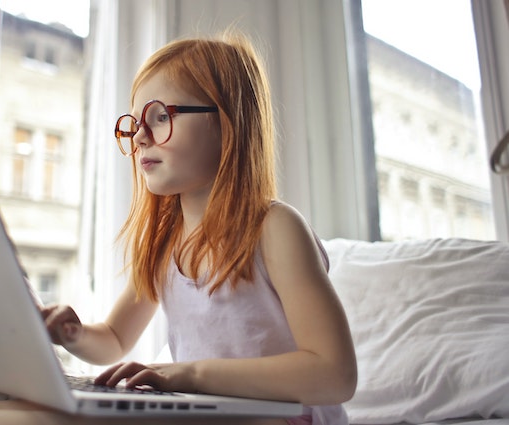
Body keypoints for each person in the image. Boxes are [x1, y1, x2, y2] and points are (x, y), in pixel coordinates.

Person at [41, 31, 357, 425]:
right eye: (135, 122)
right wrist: (74, 334)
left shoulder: (275, 229)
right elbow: (115, 339)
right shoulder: (164, 245)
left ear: (226, 124)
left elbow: (335, 374)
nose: (140, 136)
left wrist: (190, 375)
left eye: (160, 117)